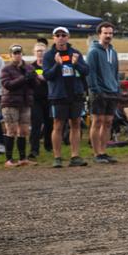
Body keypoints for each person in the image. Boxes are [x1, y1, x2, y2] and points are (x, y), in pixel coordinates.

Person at [43, 26, 89, 168]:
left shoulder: (75, 53)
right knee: (58, 125)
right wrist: (57, 64)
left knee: (75, 124)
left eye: (63, 35)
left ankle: (75, 156)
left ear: (68, 37)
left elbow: (86, 71)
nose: (61, 37)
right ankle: (57, 157)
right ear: (53, 38)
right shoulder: (49, 55)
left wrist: (76, 65)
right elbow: (46, 75)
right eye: (58, 35)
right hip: (58, 95)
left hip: (75, 94)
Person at [84, 22, 121, 164]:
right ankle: (96, 153)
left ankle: (104, 151)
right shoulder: (93, 51)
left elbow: (116, 72)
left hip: (112, 91)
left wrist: (117, 87)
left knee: (108, 122)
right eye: (105, 33)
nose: (108, 36)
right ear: (99, 34)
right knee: (97, 121)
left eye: (110, 33)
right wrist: (95, 89)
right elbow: (90, 73)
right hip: (98, 92)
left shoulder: (113, 52)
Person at [0, 45, 35, 167]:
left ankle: (23, 158)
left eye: (19, 52)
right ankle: (8, 159)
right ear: (10, 55)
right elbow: (7, 84)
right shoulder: (6, 69)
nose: (17, 55)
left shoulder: (29, 67)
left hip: (25, 103)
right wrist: (23, 78)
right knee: (11, 130)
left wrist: (33, 79)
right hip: (10, 103)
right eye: (15, 53)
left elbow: (36, 85)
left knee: (23, 131)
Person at [28, 40, 52, 160]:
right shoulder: (31, 67)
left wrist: (45, 78)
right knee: (36, 124)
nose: (40, 53)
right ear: (34, 52)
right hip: (35, 100)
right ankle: (34, 149)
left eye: (42, 51)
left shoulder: (50, 66)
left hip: (49, 98)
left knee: (50, 124)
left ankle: (49, 146)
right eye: (38, 51)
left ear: (46, 52)